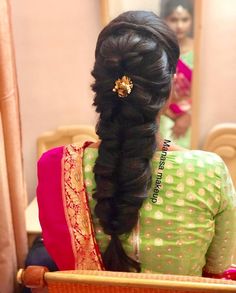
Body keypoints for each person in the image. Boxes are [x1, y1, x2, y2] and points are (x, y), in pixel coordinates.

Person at [36, 11, 236, 277]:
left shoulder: (55, 168)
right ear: (169, 89)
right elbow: (218, 270)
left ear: (101, 87)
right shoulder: (209, 172)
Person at [160, 0, 194, 148]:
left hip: (192, 117)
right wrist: (171, 116)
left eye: (185, 19)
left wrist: (189, 116)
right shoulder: (159, 50)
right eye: (174, 19)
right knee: (163, 163)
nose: (180, 25)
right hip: (164, 115)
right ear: (165, 20)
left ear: (192, 20)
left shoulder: (199, 49)